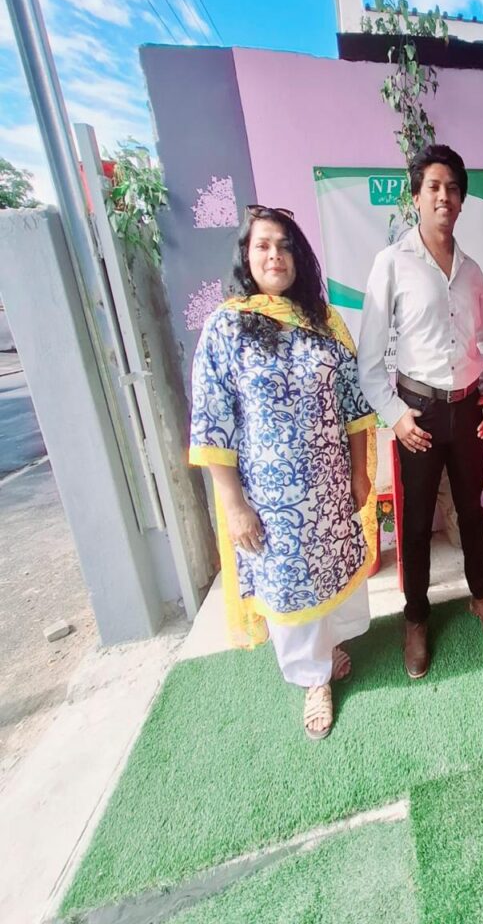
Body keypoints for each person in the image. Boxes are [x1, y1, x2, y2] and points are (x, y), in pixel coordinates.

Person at [189, 205, 376, 739]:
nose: (275, 255)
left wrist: (359, 472)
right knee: (290, 585)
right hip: (271, 499)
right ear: (247, 257)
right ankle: (313, 680)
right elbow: (212, 423)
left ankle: (328, 648)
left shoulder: (324, 323)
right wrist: (233, 503)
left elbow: (353, 403)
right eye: (263, 245)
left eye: (285, 246)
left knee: (331, 571)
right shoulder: (227, 327)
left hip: (329, 487)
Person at [358, 144, 483, 680]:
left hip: (466, 411)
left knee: (470, 511)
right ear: (416, 197)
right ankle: (416, 619)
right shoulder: (391, 264)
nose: (443, 196)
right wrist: (396, 415)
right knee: (417, 522)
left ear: (462, 201)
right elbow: (369, 360)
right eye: (433, 187)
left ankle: (482, 597)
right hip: (417, 415)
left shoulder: (472, 272)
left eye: (452, 188)